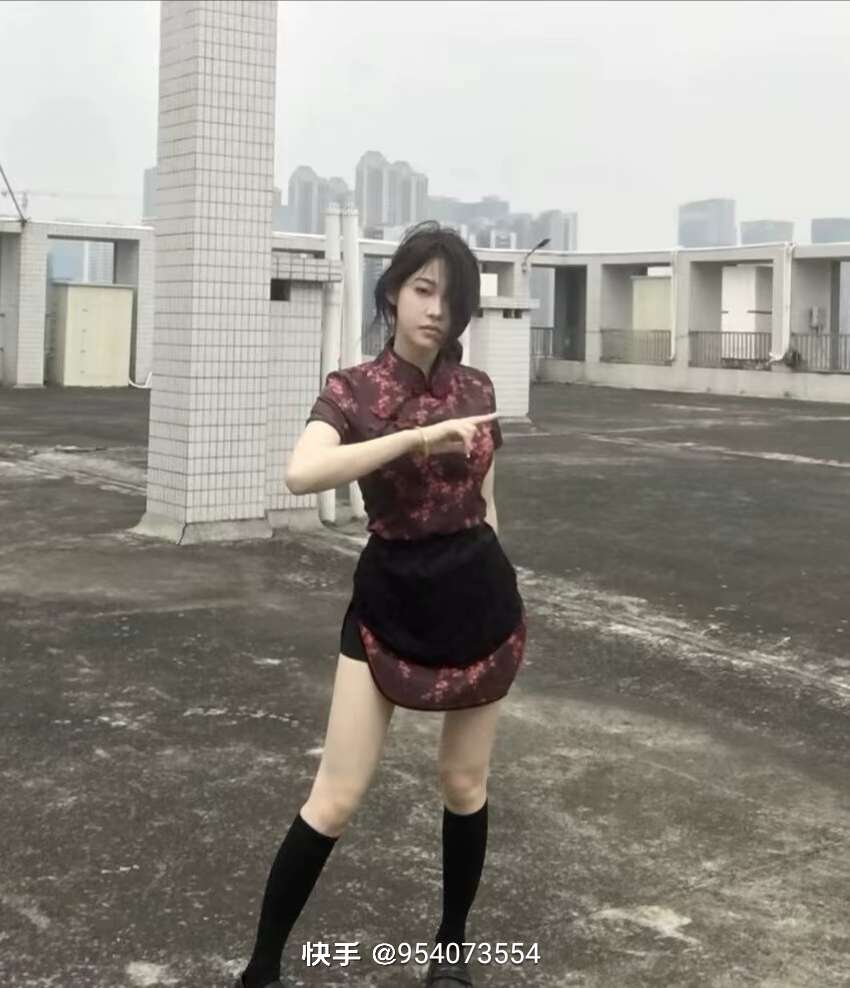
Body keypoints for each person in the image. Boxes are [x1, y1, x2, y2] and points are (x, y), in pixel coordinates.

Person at [234, 221, 526, 988]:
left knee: (464, 784)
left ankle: (451, 951)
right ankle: (261, 969)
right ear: (393, 292)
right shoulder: (353, 389)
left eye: (452, 299)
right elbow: (303, 473)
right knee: (335, 797)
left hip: (477, 599)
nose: (436, 310)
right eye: (423, 290)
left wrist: (500, 574)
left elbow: (488, 500)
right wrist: (414, 440)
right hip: (390, 597)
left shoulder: (477, 390)